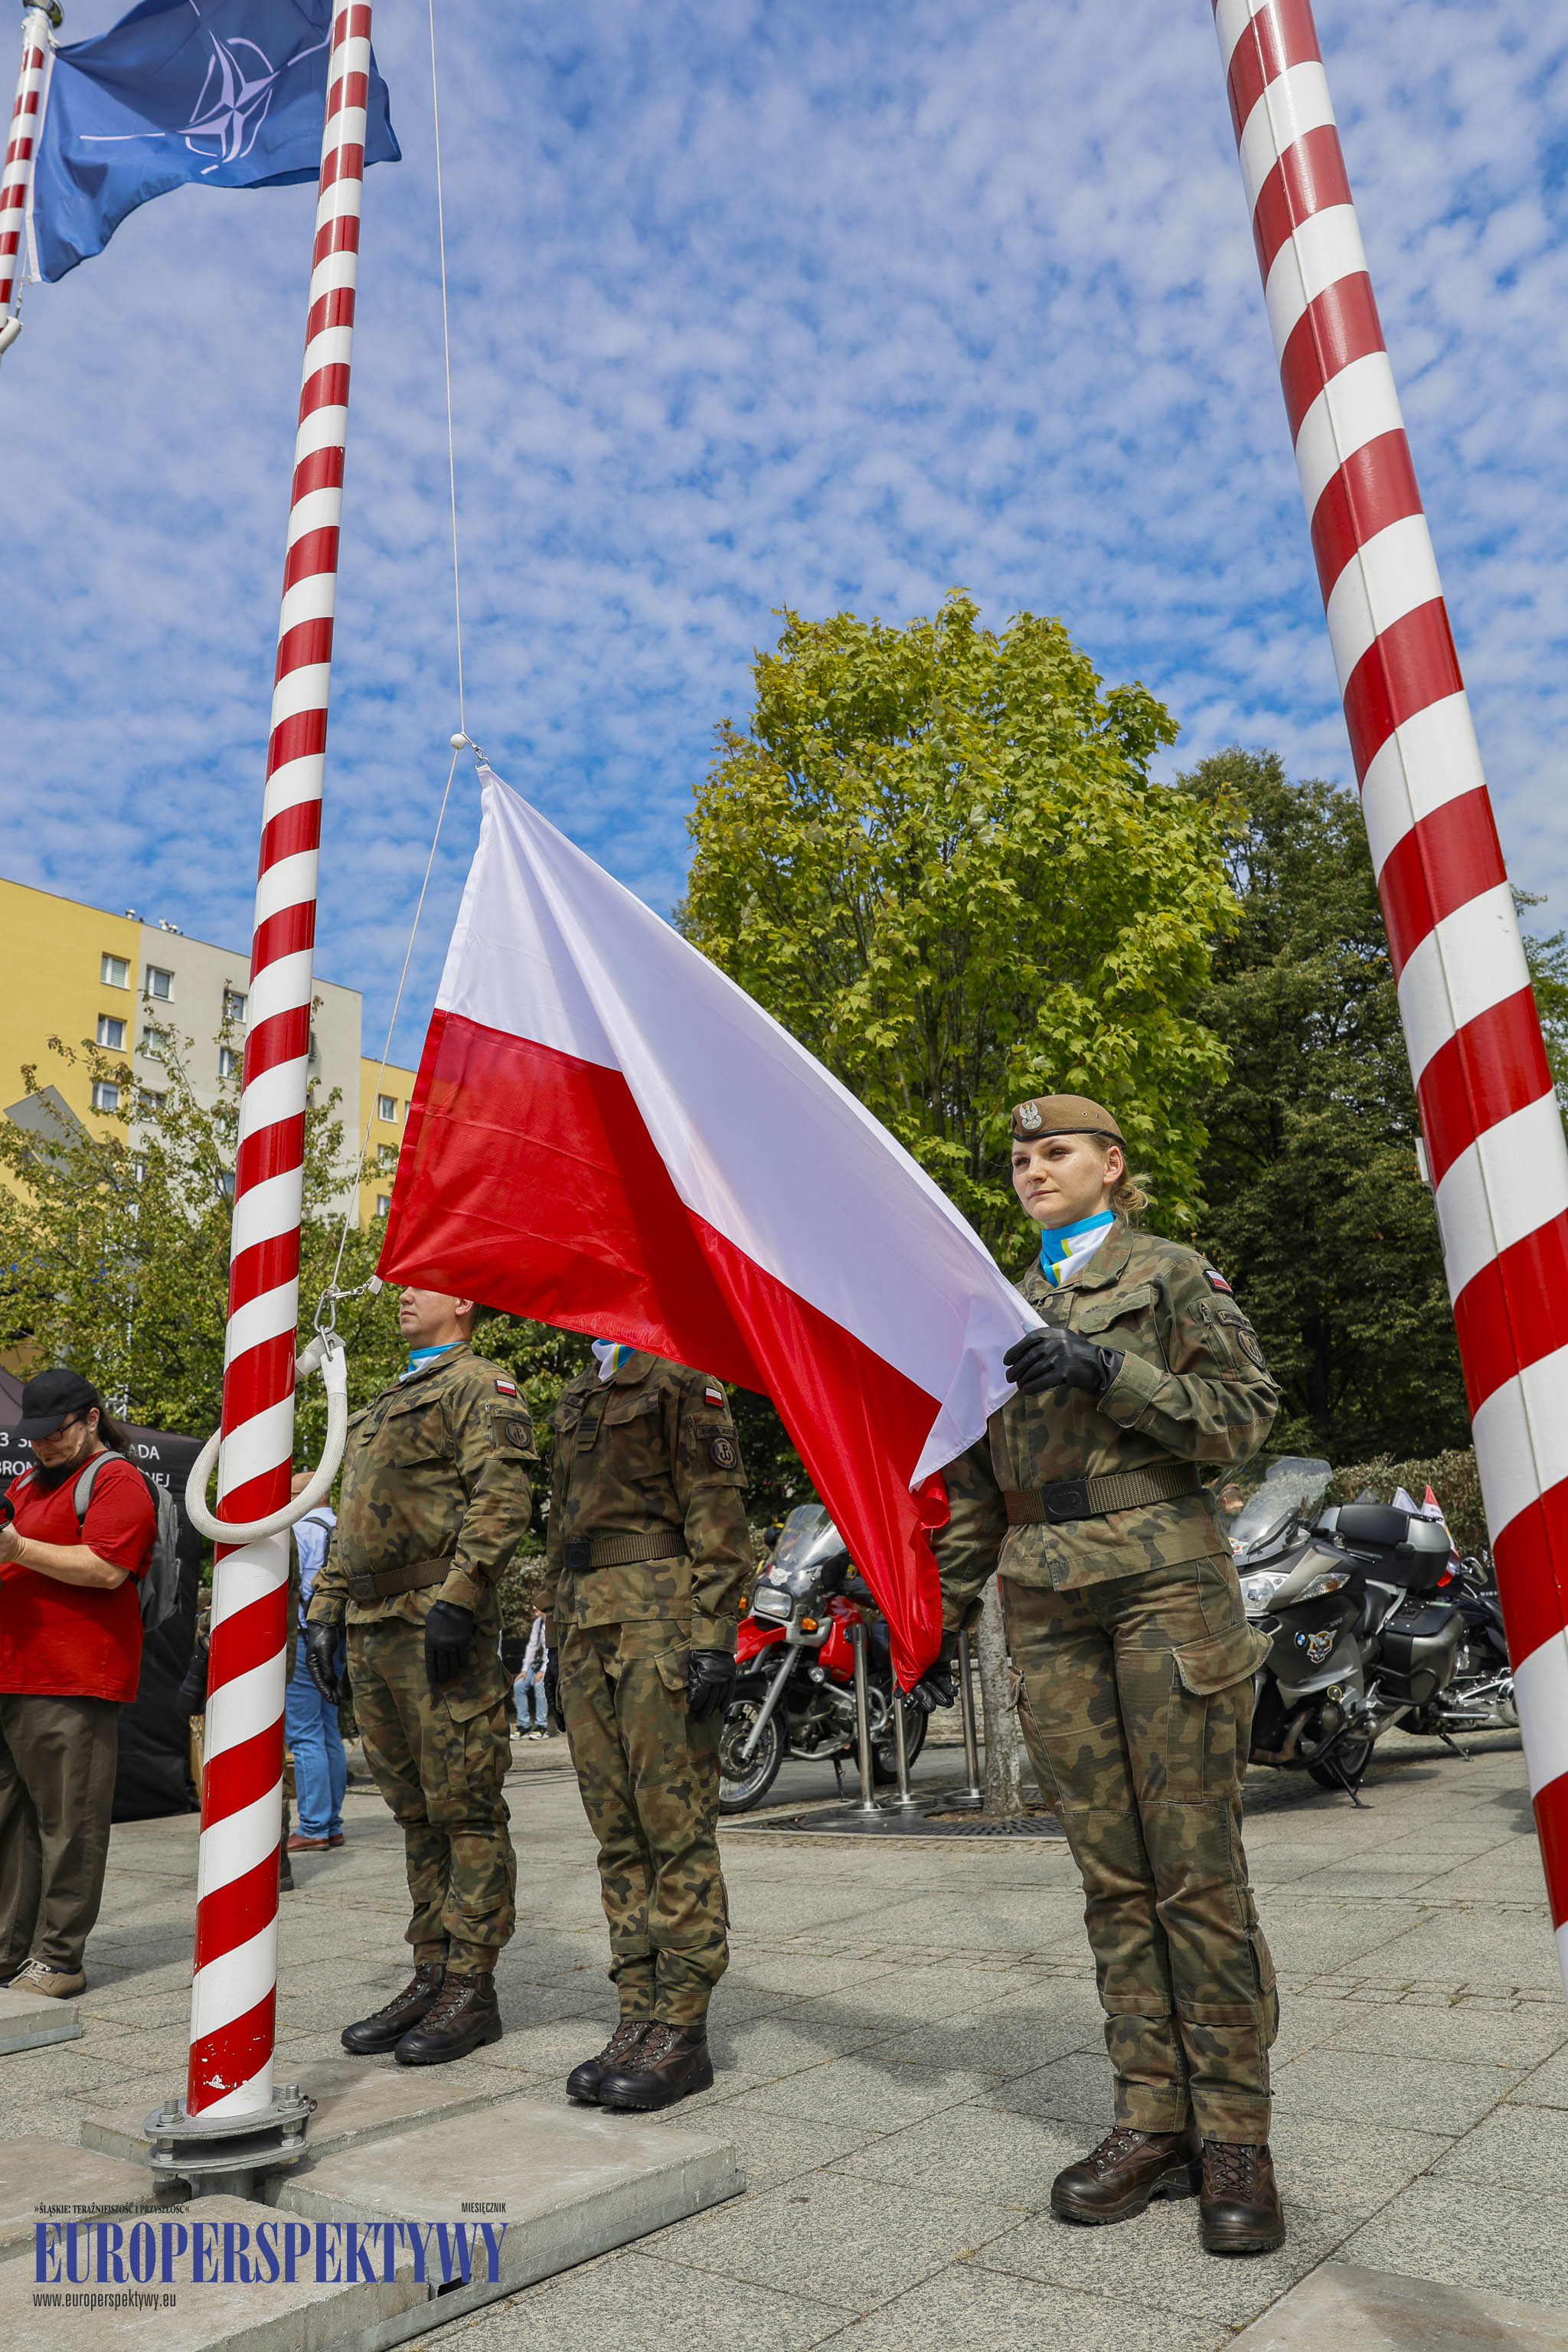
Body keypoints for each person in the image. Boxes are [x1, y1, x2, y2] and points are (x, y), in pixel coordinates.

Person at [933, 1097, 1285, 2256]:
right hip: (1048, 1598)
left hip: (1162, 1584)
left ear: (1112, 1165)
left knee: (1193, 1871)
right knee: (1110, 1877)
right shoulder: (996, 1304)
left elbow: (1240, 1418)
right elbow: (980, 1473)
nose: (1034, 1166)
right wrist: (936, 1609)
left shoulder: (1173, 1273)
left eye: (1058, 1150)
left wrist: (1109, 1371)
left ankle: (1235, 2134)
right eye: (1022, 1153)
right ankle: (1151, 2118)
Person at [302, 1288, 536, 2064]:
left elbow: (501, 1499)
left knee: (464, 1808)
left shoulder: (481, 1384)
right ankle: (431, 1969)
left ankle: (471, 1986)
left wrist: (461, 1599)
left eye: (421, 1282)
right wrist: (327, 1604)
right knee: (413, 1813)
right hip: (374, 1626)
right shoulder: (386, 1399)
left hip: (434, 1623)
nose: (403, 1294)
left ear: (465, 1301)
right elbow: (352, 1510)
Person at [548, 1339, 750, 2112]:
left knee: (674, 1829)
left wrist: (711, 1635)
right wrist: (553, 1613)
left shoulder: (681, 1380)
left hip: (657, 1620)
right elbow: (562, 1526)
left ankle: (683, 2026)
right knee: (616, 1831)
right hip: (586, 1622)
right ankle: (637, 2010)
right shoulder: (577, 1393)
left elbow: (717, 1516)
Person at [0, 1369, 155, 1997]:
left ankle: (60, 1959)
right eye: (33, 1436)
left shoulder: (118, 1478)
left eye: (54, 1433)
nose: (42, 1446)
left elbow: (108, 1569)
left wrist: (17, 1549)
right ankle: (12, 1948)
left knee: (70, 1824)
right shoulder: (28, 1481)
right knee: (12, 1821)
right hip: (16, 1673)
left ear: (91, 1418)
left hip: (72, 1679)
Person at [284, 1474, 345, 1853]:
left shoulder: (295, 1533)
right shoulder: (345, 1528)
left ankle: (314, 1827)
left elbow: (291, 1590)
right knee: (329, 1731)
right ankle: (332, 1823)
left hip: (306, 1640)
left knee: (305, 1734)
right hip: (338, 1640)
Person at [514, 1609, 549, 1738]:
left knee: (540, 1684)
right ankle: (524, 1725)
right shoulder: (538, 1623)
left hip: (552, 1664)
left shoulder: (554, 1622)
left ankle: (542, 1726)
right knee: (519, 1685)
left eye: (537, 1606)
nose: (534, 1608)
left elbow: (552, 1651)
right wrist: (524, 1670)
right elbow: (532, 1647)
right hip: (540, 1664)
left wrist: (544, 1671)